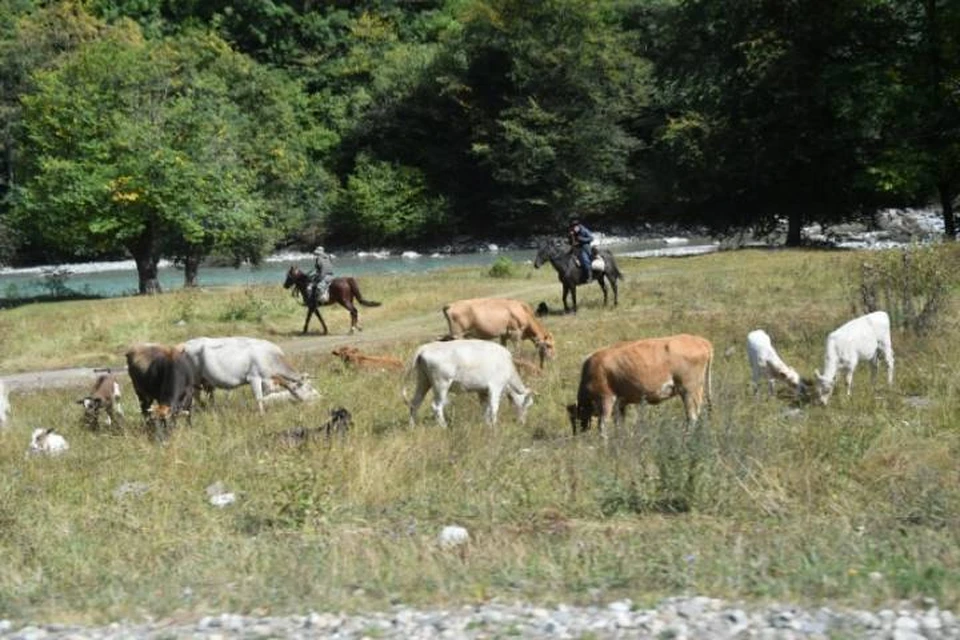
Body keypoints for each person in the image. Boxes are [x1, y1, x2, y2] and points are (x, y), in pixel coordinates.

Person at [567, 218, 593, 283]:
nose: (574, 228)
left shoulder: (584, 230)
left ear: (578, 225)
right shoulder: (572, 232)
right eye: (573, 226)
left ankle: (590, 276)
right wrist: (570, 237)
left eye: (575, 226)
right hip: (575, 248)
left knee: (585, 260)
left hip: (584, 248)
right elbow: (571, 241)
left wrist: (581, 239)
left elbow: (591, 238)